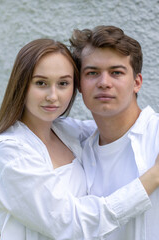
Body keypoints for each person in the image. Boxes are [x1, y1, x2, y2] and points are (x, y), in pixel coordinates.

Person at [0, 38, 158, 240]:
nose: (53, 96)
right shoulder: (11, 151)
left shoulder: (69, 132)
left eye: (63, 83)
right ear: (21, 85)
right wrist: (153, 177)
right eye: (41, 83)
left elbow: (117, 127)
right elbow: (71, 222)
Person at [70, 25, 159, 239]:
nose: (104, 83)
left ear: (137, 82)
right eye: (92, 73)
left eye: (116, 72)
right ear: (80, 85)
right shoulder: (78, 150)